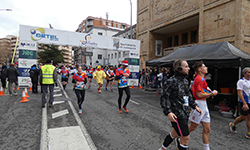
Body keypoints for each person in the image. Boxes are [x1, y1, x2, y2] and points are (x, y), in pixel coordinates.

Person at [159, 59, 202, 150]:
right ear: (179, 68)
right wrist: (168, 112)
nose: (189, 68)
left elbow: (188, 95)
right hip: (177, 115)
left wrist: (194, 105)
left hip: (185, 112)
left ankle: (162, 149)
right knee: (186, 138)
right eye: (186, 66)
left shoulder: (186, 81)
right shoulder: (171, 81)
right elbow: (163, 97)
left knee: (174, 134)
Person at [188, 61, 218, 150]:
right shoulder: (199, 79)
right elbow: (199, 95)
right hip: (199, 104)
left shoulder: (202, 79)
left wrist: (210, 92)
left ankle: (206, 148)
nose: (206, 68)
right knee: (193, 127)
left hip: (204, 105)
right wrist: (212, 94)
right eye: (204, 67)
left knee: (207, 129)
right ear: (199, 69)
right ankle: (179, 135)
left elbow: (204, 91)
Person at [229, 67, 250, 139]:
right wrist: (244, 103)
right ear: (244, 74)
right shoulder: (241, 81)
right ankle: (233, 124)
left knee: (249, 118)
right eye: (249, 72)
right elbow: (239, 93)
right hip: (244, 101)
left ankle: (249, 133)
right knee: (243, 117)